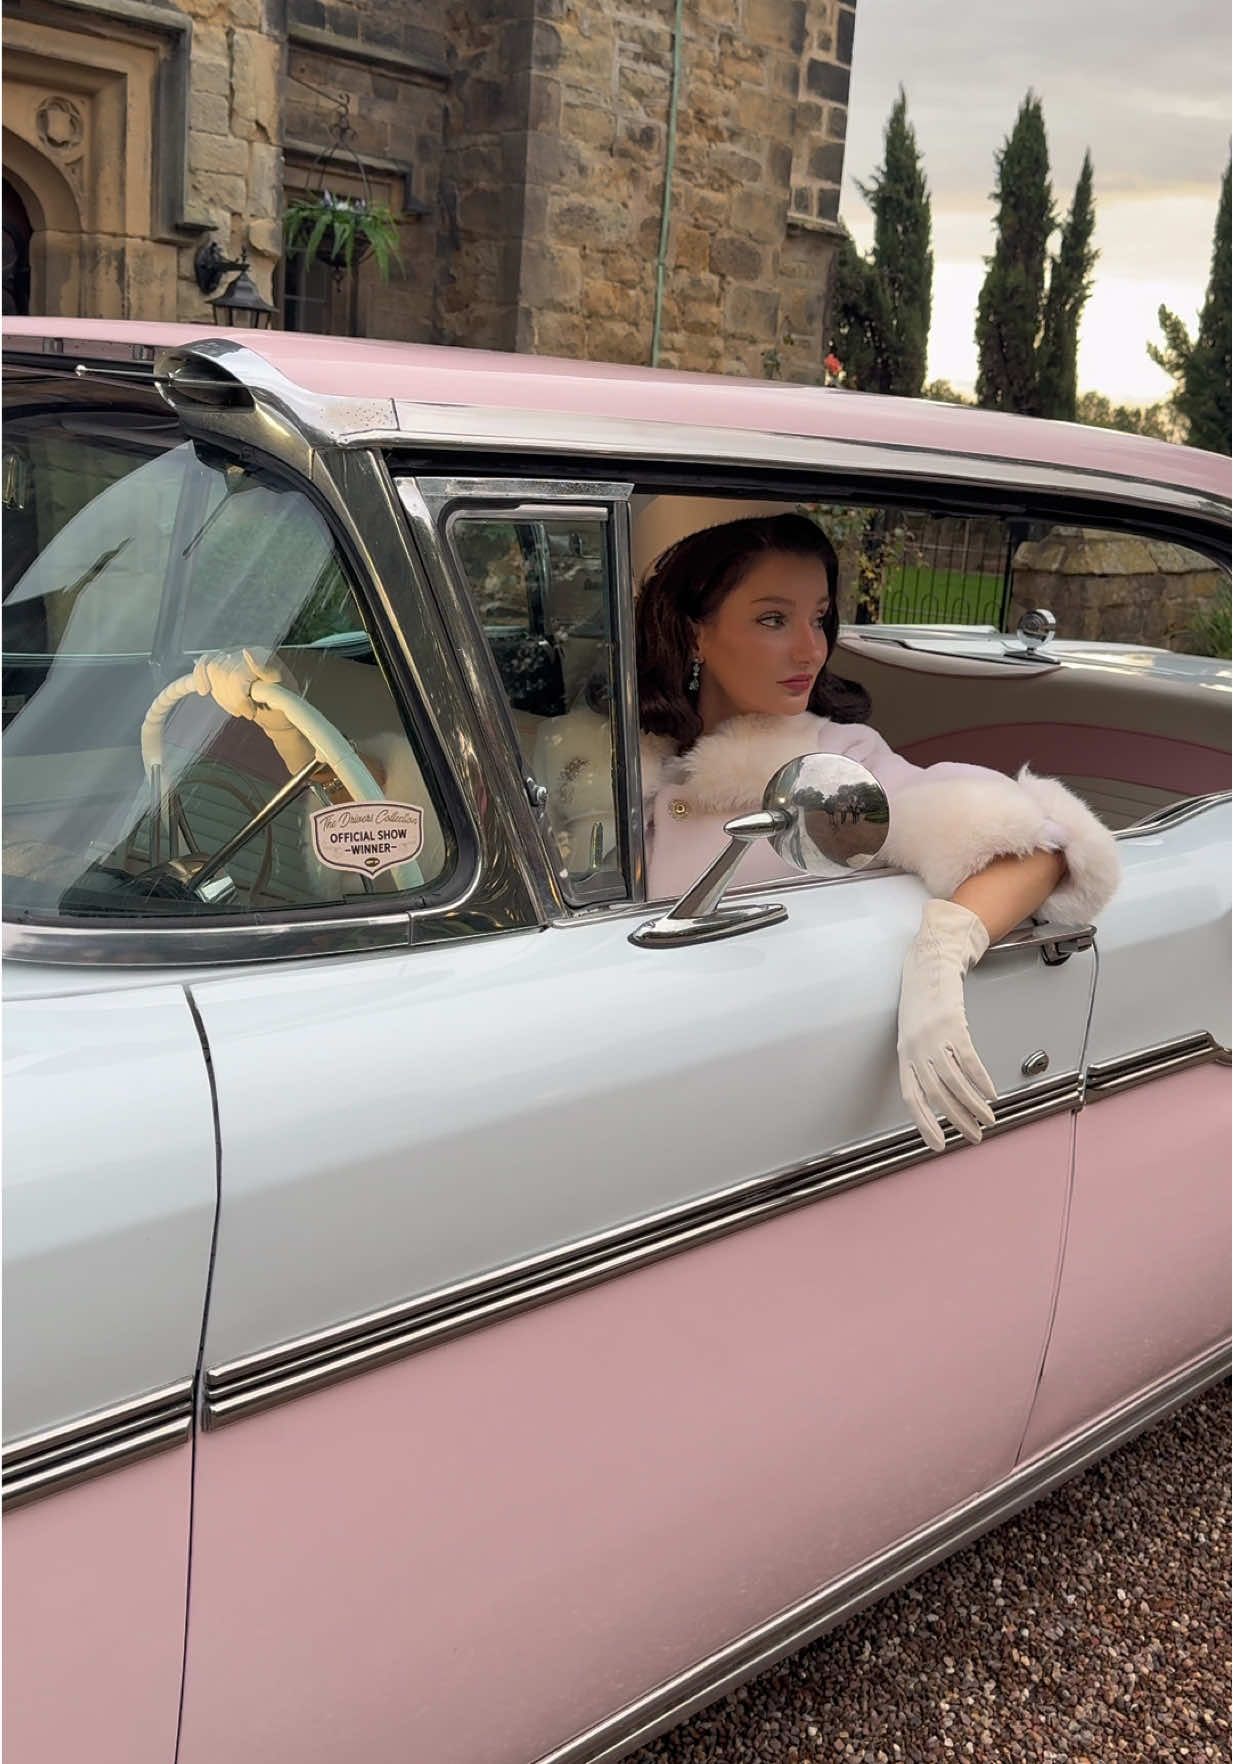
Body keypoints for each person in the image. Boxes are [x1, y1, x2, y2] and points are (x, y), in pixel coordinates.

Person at [631, 512, 1120, 1152]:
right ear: (695, 633)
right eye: (774, 619)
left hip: (772, 1089)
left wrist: (940, 959)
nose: (810, 649)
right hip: (638, 1060)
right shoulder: (617, 756)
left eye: (819, 618)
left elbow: (1041, 843)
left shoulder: (840, 764)